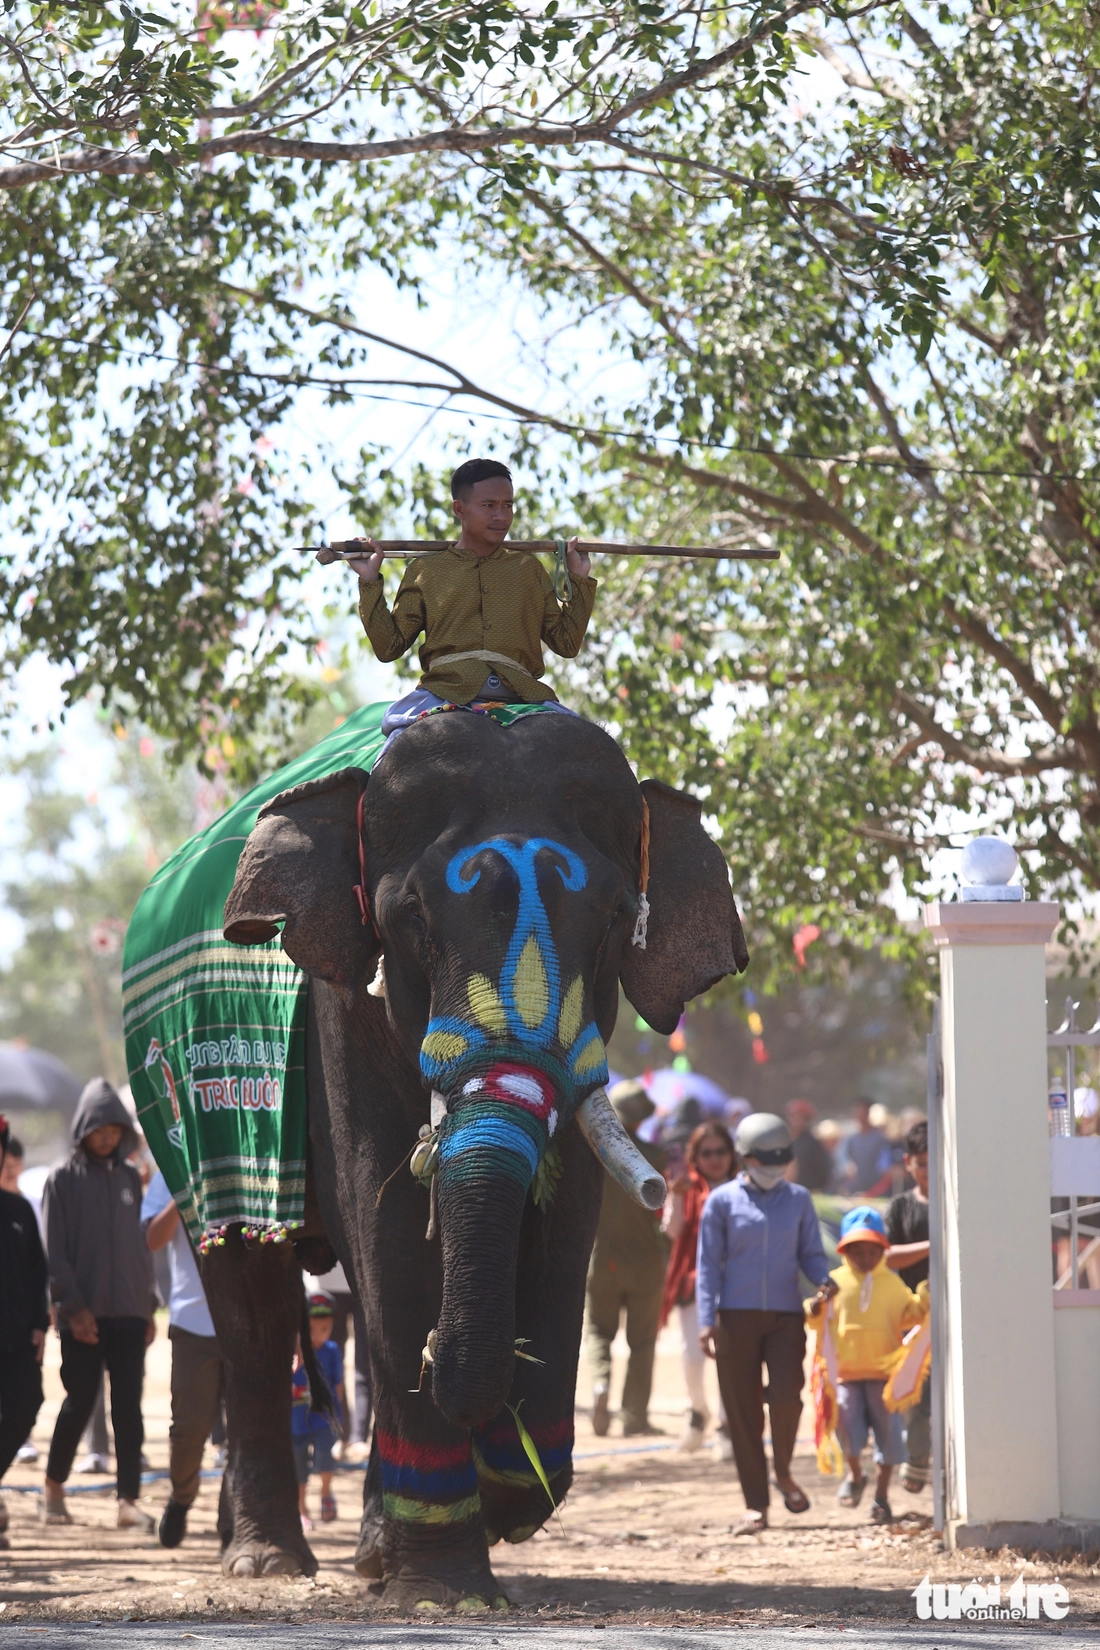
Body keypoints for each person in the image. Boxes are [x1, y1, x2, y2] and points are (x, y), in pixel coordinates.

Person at [346, 458, 598, 740]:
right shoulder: (425, 570)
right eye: (489, 506)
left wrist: (579, 578)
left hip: (524, 695)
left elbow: (566, 644)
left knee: (590, 746)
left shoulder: (529, 570)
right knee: (393, 753)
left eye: (508, 505)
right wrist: (369, 581)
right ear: (459, 509)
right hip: (443, 693)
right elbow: (388, 648)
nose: (501, 516)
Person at [697, 1112, 837, 1535]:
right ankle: (756, 1504)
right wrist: (706, 1320)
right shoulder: (721, 1202)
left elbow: (811, 1252)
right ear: (745, 1158)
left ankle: (783, 1469)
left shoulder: (797, 1199)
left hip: (785, 1316)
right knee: (741, 1413)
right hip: (734, 1319)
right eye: (765, 1159)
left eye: (781, 1159)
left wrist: (825, 1280)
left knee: (785, 1396)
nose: (773, 1167)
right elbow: (708, 1266)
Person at [40, 1078, 157, 1531]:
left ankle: (128, 1499)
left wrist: (147, 1306)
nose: (106, 1136)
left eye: (114, 1128)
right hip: (81, 1316)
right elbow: (55, 1254)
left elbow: (138, 1247)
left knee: (129, 1407)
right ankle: (53, 1488)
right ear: (83, 1128)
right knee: (80, 1401)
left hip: (129, 1312)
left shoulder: (129, 1176)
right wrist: (74, 1309)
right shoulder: (61, 1180)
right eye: (98, 1128)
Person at [806, 1205, 928, 1525]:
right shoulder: (834, 1282)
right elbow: (814, 1317)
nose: (864, 1256)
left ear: (883, 1249)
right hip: (845, 1375)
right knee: (846, 1428)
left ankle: (882, 1497)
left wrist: (928, 1293)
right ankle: (856, 1473)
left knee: (888, 1437)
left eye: (872, 1250)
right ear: (845, 1250)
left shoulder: (891, 1283)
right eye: (856, 1250)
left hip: (884, 1379)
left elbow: (912, 1314)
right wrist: (817, 1303)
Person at [142, 1167, 223, 1548]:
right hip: (192, 1322)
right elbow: (153, 1239)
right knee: (190, 1429)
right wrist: (182, 1192)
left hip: (248, 1321)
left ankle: (235, 1517)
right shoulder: (168, 1165)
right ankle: (181, 1499)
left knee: (247, 1428)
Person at [584, 1079, 668, 1437]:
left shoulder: (591, 1159)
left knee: (600, 1332)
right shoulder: (657, 1157)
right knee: (642, 1341)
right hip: (646, 1264)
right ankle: (635, 1416)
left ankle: (601, 1385)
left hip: (601, 1262)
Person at [659, 1121, 735, 1453]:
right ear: (695, 1155)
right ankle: (698, 1412)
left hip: (735, 1285)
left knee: (729, 1359)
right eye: (707, 1153)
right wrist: (675, 1196)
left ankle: (726, 1426)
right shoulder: (686, 1187)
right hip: (694, 1284)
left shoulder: (743, 1187)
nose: (714, 1159)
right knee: (692, 1357)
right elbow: (673, 1232)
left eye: (721, 1151)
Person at [0, 1115, 49, 1550]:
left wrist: (39, 1324)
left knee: (25, 1406)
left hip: (16, 1340)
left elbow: (38, 1273)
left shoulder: (18, 1209)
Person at [885, 1119, 931, 1492]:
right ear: (908, 1163)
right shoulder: (901, 1207)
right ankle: (916, 1460)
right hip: (913, 1320)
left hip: (957, 1316)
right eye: (922, 1163)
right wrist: (935, 1244)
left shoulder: (957, 1201)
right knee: (915, 1395)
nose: (928, 1172)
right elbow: (885, 1256)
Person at [292, 1292, 346, 1530]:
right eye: (312, 1331)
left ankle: (326, 1493)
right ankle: (301, 1508)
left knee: (326, 1456)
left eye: (325, 1329)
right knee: (298, 1466)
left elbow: (338, 1384)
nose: (318, 1336)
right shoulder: (292, 1351)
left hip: (324, 1418)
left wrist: (338, 1413)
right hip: (296, 1420)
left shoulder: (332, 1350)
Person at [835, 1099, 893, 1195]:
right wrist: (847, 1166)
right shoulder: (850, 1138)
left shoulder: (880, 1138)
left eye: (862, 1112)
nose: (859, 1115)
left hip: (876, 1189)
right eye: (857, 1112)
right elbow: (841, 1158)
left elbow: (884, 1165)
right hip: (855, 1188)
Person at [784, 1100, 833, 1192]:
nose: (795, 1120)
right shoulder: (788, 1141)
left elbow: (824, 1171)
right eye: (793, 1116)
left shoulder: (813, 1143)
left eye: (800, 1117)